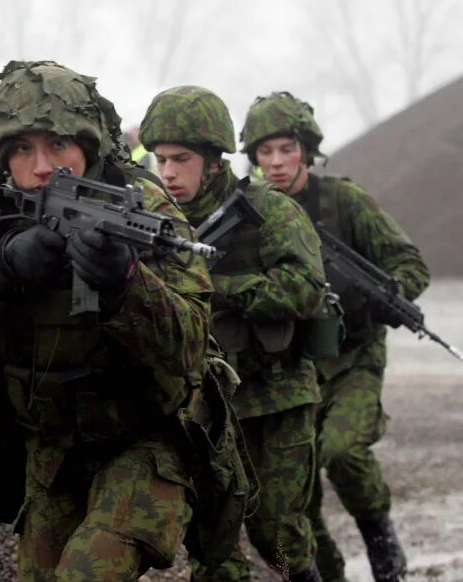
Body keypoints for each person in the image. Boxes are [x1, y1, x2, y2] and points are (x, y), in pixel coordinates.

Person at [0, 60, 226, 582]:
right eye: (23, 149)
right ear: (2, 155)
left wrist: (126, 283)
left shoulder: (143, 205)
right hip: (50, 446)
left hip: (143, 438)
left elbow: (189, 342)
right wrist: (1, 263)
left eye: (58, 146)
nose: (42, 166)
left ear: (88, 146)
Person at [241, 92, 430, 582]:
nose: (277, 162)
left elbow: (410, 265)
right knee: (290, 501)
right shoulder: (251, 210)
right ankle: (322, 573)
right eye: (265, 152)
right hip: (289, 371)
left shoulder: (343, 200)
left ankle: (383, 545)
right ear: (253, 157)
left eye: (287, 149)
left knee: (343, 452)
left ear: (306, 148)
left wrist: (377, 298)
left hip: (353, 358)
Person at [140, 86, 327, 582]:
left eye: (181, 159)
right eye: (161, 160)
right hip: (206, 407)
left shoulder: (270, 210)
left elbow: (307, 288)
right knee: (211, 545)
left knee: (278, 536)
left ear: (215, 160)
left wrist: (219, 286)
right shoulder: (159, 220)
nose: (169, 172)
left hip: (276, 399)